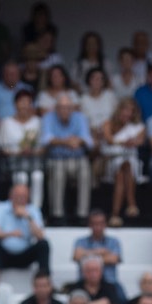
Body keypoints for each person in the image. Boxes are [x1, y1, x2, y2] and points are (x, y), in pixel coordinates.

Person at [40, 92, 93, 221]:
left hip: (77, 158)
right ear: (56, 108)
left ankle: (83, 214)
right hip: (56, 159)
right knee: (58, 172)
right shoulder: (48, 117)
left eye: (68, 107)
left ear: (73, 108)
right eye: (62, 107)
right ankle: (57, 214)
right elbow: (45, 140)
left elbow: (89, 141)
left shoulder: (80, 117)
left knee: (85, 170)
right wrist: (66, 142)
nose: (65, 110)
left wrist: (78, 141)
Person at [0, 182, 50, 274]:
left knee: (43, 245)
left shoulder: (33, 210)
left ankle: (44, 280)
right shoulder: (0, 207)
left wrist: (28, 217)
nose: (20, 199)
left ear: (28, 197)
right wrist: (10, 234)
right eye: (17, 196)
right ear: (11, 196)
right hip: (4, 255)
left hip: (24, 256)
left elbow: (40, 236)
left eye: (24, 196)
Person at [101, 97, 145, 225]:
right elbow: (109, 139)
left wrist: (132, 142)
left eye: (131, 111)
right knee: (123, 166)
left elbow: (140, 141)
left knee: (125, 167)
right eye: (125, 109)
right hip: (110, 160)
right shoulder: (107, 123)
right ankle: (131, 205)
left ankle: (115, 214)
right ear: (119, 110)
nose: (127, 113)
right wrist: (124, 142)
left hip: (131, 161)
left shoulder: (139, 127)